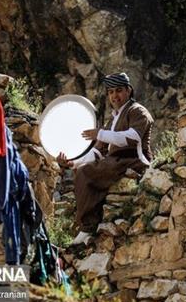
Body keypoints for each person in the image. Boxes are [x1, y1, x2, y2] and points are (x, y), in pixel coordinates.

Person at [56, 72, 154, 245]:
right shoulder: (113, 120)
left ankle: (87, 227)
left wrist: (100, 133)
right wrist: (72, 162)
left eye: (118, 91)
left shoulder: (138, 111)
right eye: (110, 92)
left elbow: (133, 137)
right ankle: (90, 226)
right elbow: (98, 151)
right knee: (82, 169)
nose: (114, 96)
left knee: (87, 173)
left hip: (133, 160)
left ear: (128, 91)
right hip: (114, 162)